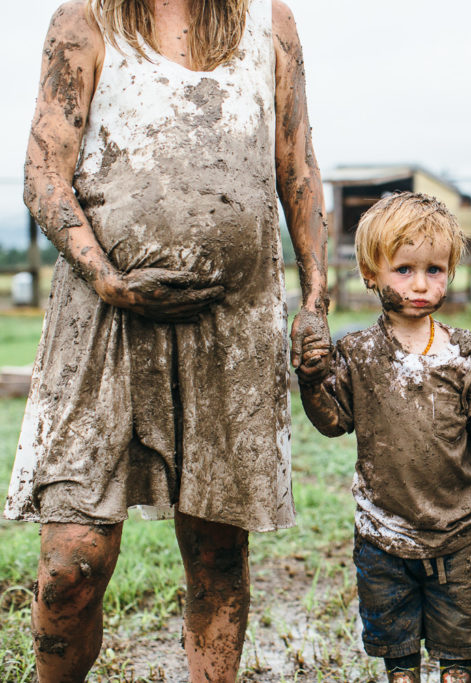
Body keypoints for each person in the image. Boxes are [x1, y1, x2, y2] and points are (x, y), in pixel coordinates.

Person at [3, 0, 329, 680]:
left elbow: (296, 167)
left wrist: (316, 299)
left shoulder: (269, 23)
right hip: (104, 322)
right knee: (72, 562)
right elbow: (43, 172)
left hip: (231, 327)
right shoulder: (85, 19)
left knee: (216, 553)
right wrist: (108, 277)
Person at [295, 192, 471, 683]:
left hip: (456, 531)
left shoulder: (464, 350)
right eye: (404, 270)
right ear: (370, 272)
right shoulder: (356, 351)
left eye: (434, 270)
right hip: (383, 532)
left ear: (450, 272)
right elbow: (333, 422)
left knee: (460, 654)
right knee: (400, 659)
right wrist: (311, 382)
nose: (420, 285)